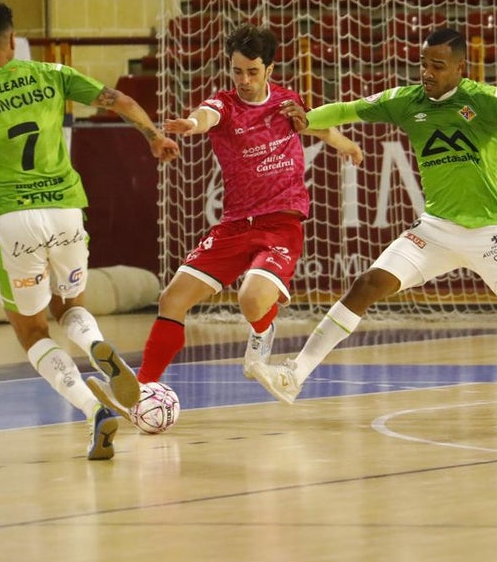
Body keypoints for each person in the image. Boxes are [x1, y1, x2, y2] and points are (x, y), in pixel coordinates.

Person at [247, 27, 497, 420]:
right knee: (367, 284)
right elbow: (350, 109)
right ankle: (295, 375)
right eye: (423, 64)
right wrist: (308, 118)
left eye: (437, 66)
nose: (426, 73)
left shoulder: (488, 100)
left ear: (461, 69)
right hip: (435, 230)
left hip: (490, 231)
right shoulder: (407, 101)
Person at [0, 1, 179, 460]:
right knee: (70, 305)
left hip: (15, 220)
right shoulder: (51, 73)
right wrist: (153, 135)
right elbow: (124, 102)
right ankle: (95, 345)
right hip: (67, 211)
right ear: (13, 40)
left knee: (31, 331)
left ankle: (94, 411)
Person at [129, 23, 363, 391]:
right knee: (171, 299)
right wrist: (190, 125)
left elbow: (317, 128)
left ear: (269, 69)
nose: (244, 79)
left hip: (281, 222)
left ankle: (263, 328)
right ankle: (143, 388)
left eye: (253, 71)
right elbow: (205, 116)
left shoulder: (287, 103)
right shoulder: (225, 103)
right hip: (235, 224)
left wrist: (344, 144)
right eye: (237, 70)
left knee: (251, 298)